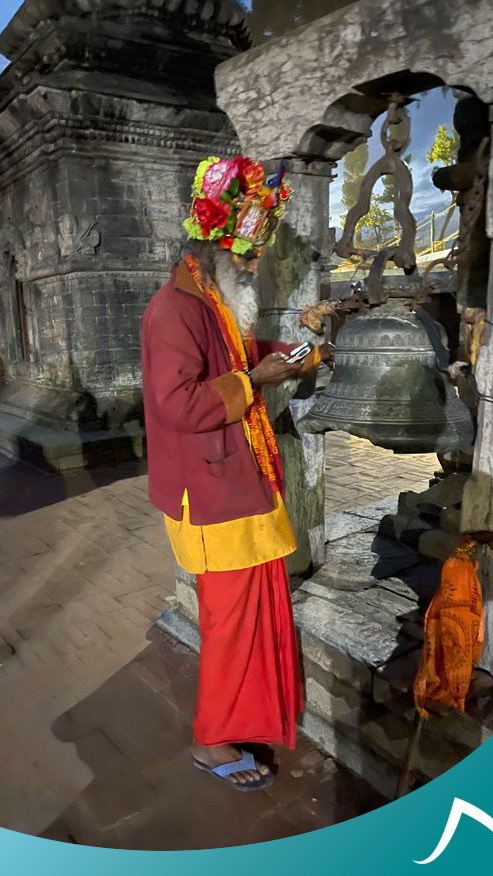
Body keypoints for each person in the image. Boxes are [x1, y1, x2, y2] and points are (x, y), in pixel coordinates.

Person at [141, 155, 332, 792]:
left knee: (252, 613)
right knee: (230, 623)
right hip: (211, 494)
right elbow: (178, 403)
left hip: (235, 483)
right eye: (248, 253)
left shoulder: (209, 300)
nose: (254, 265)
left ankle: (247, 718)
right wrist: (255, 381)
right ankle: (209, 739)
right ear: (216, 245)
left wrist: (288, 356)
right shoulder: (174, 310)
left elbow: (237, 355)